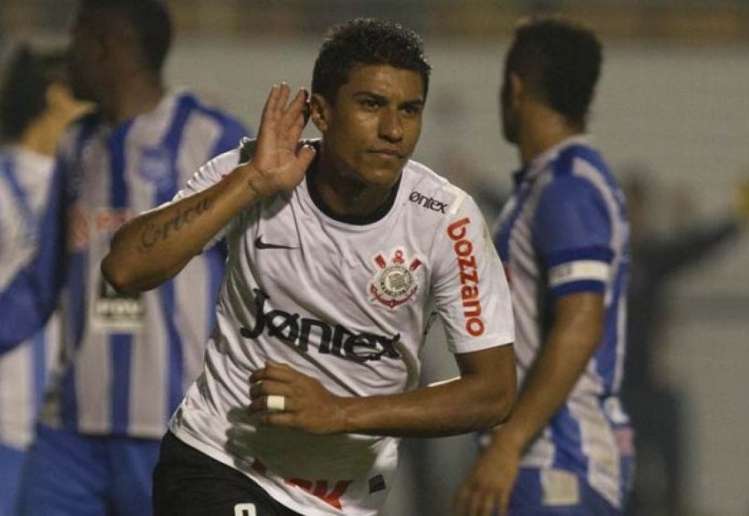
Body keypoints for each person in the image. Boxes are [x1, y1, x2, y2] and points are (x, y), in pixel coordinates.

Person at [102, 18, 517, 516]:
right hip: (220, 461)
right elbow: (124, 268)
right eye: (371, 105)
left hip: (347, 496)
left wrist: (339, 413)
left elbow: (493, 392)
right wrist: (251, 182)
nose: (393, 130)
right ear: (320, 111)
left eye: (409, 110)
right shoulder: (255, 173)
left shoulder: (446, 220)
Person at [4, 1, 249, 514]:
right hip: (70, 428)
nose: (67, 57)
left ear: (108, 46)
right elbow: (41, 283)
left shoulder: (214, 139)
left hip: (174, 425)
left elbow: (262, 275)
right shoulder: (76, 143)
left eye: (76, 42)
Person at [456, 17, 633, 516]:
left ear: (514, 88)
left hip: (556, 457)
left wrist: (508, 445)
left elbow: (580, 324)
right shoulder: (545, 185)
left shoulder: (568, 187)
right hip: (537, 454)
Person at [621, 168, 749, 516]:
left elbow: (698, 245)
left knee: (671, 481)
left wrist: (740, 217)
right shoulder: (594, 259)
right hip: (612, 395)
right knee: (620, 485)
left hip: (650, 386)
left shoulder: (651, 258)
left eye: (635, 211)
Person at [0, 45, 88, 516]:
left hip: (74, 429)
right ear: (58, 99)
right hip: (8, 425)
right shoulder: (7, 183)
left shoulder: (97, 183)